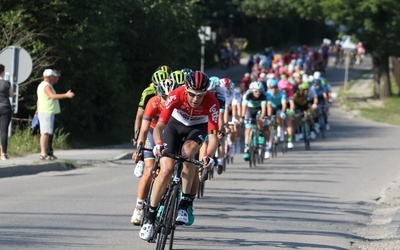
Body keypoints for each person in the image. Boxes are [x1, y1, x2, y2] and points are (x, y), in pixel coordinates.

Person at [139, 71, 219, 241]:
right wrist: (159, 144)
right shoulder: (176, 95)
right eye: (192, 94)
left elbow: (213, 136)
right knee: (166, 169)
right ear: (186, 88)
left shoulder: (212, 102)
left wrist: (209, 155)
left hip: (198, 127)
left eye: (200, 95)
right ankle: (150, 217)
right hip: (174, 126)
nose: (196, 99)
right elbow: (159, 127)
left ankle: (184, 202)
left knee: (189, 153)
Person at [130, 79, 178, 226]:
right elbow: (144, 130)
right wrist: (139, 148)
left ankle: (164, 202)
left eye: (170, 98)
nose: (166, 101)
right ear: (159, 94)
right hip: (152, 131)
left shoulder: (178, 105)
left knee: (168, 170)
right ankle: (138, 207)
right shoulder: (153, 102)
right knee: (149, 170)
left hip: (169, 134)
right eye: (164, 98)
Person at [36, 69, 74, 160]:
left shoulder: (43, 85)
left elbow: (39, 99)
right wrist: (66, 95)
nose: (56, 79)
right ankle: (43, 153)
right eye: (54, 77)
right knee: (45, 133)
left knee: (47, 133)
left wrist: (37, 109)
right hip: (46, 112)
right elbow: (52, 96)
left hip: (46, 111)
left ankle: (44, 153)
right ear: (50, 77)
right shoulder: (46, 86)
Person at [0, 64, 14, 160]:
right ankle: (3, 154)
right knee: (4, 131)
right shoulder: (7, 83)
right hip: (5, 107)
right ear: (3, 72)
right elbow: (11, 94)